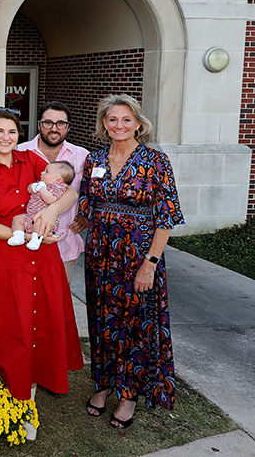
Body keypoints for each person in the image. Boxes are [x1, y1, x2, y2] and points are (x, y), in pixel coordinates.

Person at [0, 107, 84, 440]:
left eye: (13, 132)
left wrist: (50, 210)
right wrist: (30, 234)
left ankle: (28, 402)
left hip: (43, 260)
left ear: (19, 136)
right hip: (6, 261)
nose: (6, 138)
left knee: (41, 328)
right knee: (12, 331)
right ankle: (14, 402)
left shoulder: (31, 161)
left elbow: (69, 192)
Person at [79, 94, 184, 428]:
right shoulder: (94, 159)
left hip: (137, 254)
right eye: (112, 119)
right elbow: (83, 202)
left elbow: (166, 217)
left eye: (126, 120)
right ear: (104, 124)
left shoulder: (155, 161)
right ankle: (103, 384)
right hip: (100, 255)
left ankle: (128, 396)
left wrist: (150, 263)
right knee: (101, 321)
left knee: (135, 325)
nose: (119, 126)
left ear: (138, 123)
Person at [16, 101, 90, 282]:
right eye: (48, 123)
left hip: (64, 245)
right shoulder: (20, 151)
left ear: (68, 127)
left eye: (61, 124)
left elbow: (92, 193)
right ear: (40, 124)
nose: (54, 129)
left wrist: (86, 215)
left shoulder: (82, 156)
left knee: (57, 307)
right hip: (25, 245)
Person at [8, 161, 75, 250]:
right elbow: (29, 190)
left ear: (58, 180)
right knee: (17, 219)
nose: (42, 173)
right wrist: (33, 186)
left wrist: (41, 188)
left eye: (46, 172)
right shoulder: (41, 184)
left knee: (39, 222)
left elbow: (50, 199)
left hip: (45, 220)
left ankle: (36, 240)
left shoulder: (59, 188)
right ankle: (18, 236)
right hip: (30, 216)